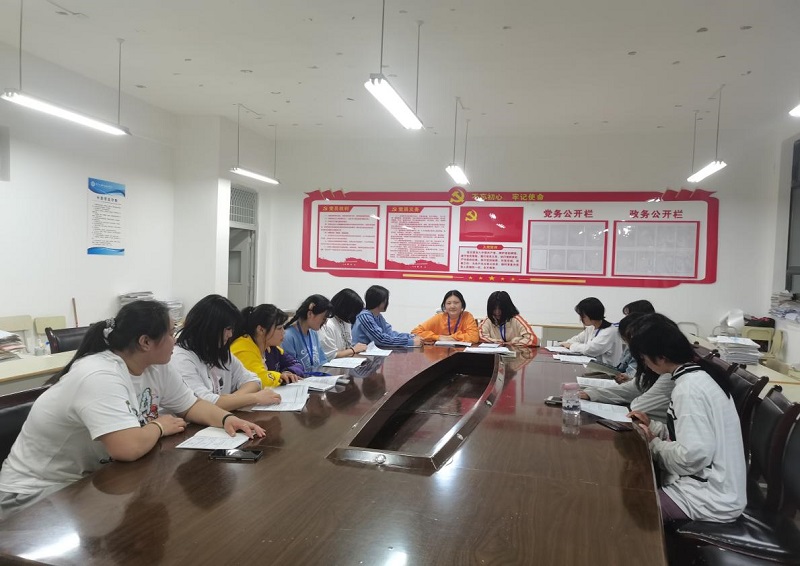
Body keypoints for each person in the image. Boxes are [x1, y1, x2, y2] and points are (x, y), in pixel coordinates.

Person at [0, 300, 265, 516]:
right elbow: (126, 448)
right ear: (145, 342)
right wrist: (159, 426)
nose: (175, 340)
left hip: (89, 480)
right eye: (170, 333)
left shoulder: (157, 367)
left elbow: (192, 405)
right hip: (33, 493)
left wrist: (227, 419)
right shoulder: (100, 375)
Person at [627, 313, 746, 523]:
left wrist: (652, 443)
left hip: (708, 496)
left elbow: (693, 456)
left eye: (644, 358)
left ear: (661, 357)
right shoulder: (698, 376)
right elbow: (691, 435)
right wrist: (652, 426)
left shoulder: (689, 389)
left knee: (629, 512)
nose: (644, 364)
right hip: (714, 487)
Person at [171, 295, 281, 411]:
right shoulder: (181, 358)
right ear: (210, 327)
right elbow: (202, 404)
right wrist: (253, 398)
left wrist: (231, 400)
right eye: (228, 329)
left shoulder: (219, 351)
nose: (230, 335)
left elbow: (253, 380)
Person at [579, 313, 674, 424]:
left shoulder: (671, 373)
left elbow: (639, 406)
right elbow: (635, 387)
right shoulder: (657, 369)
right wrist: (592, 394)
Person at [231, 304, 304, 388]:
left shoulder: (271, 347)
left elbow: (296, 364)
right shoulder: (243, 347)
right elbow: (259, 380)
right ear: (261, 330)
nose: (284, 332)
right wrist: (280, 376)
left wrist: (288, 372)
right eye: (279, 328)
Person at [351, 285, 422, 348]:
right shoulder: (365, 317)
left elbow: (390, 334)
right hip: (361, 355)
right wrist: (410, 342)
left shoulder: (377, 316)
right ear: (379, 302)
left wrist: (412, 336)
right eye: (386, 300)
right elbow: (381, 340)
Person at [559, 297, 622, 366]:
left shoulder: (610, 331)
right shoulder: (591, 328)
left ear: (592, 315)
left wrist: (571, 346)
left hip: (606, 370)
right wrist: (567, 344)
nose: (580, 319)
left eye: (583, 316)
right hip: (594, 367)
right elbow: (576, 339)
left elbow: (590, 350)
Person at [282, 294, 332, 374]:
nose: (325, 323)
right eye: (323, 319)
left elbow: (323, 362)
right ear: (310, 314)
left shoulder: (313, 333)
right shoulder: (288, 337)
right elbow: (290, 368)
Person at [412, 290, 480, 344]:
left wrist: (451, 337)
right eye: (448, 303)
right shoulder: (439, 318)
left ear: (462, 305)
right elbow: (415, 332)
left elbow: (474, 338)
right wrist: (438, 337)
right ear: (444, 306)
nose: (452, 306)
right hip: (439, 352)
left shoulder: (467, 316)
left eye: (456, 303)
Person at [318, 288, 368, 360]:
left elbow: (347, 346)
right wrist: (354, 350)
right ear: (345, 309)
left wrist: (354, 349)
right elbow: (330, 355)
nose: (354, 316)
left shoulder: (345, 321)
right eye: (353, 312)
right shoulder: (327, 324)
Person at [615, 300, 656, 382]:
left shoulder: (647, 345)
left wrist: (627, 377)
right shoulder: (632, 341)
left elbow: (634, 375)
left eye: (628, 315)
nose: (626, 319)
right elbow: (622, 367)